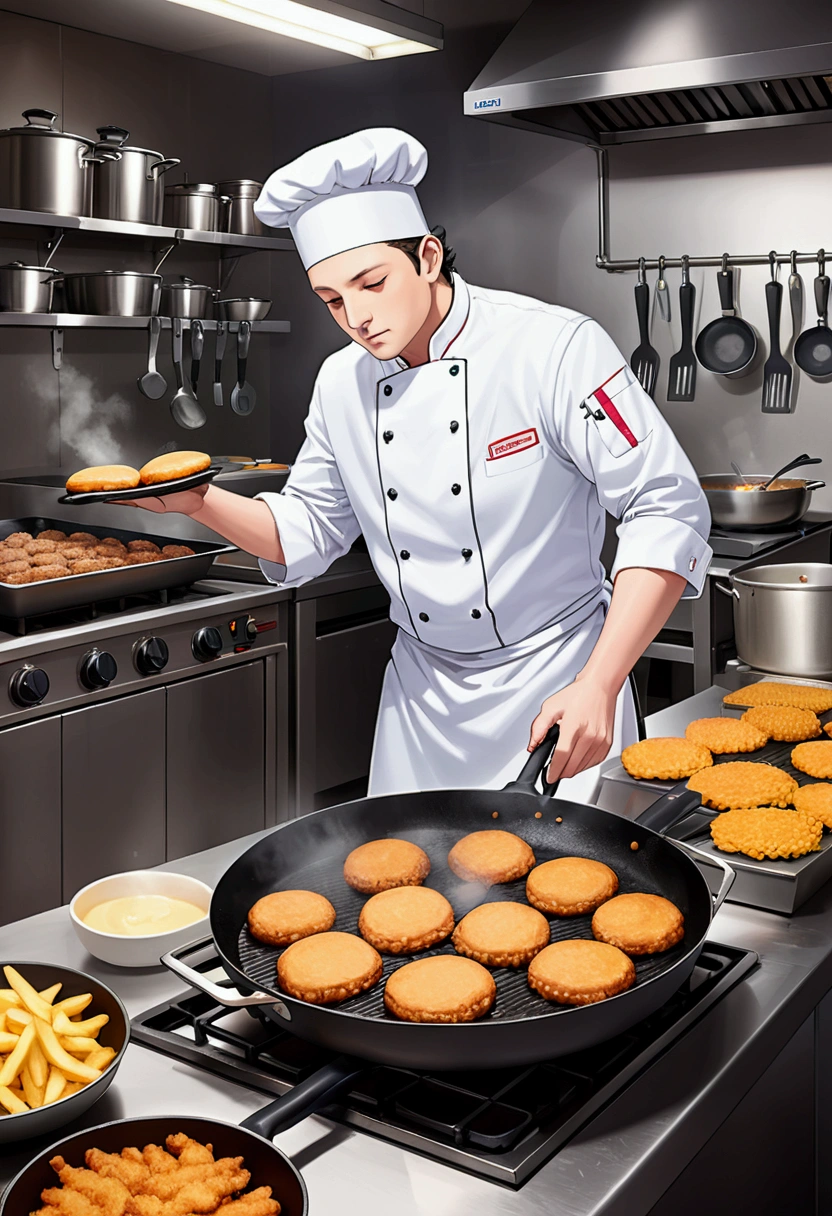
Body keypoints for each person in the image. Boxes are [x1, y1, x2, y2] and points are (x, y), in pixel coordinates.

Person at [125, 128, 711, 800]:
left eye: (372, 283)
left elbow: (663, 507)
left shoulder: (554, 348)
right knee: (401, 892)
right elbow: (306, 532)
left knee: (571, 894)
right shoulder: (341, 382)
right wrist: (198, 502)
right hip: (423, 701)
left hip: (561, 683)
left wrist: (600, 683)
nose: (358, 318)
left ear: (428, 256)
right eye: (333, 300)